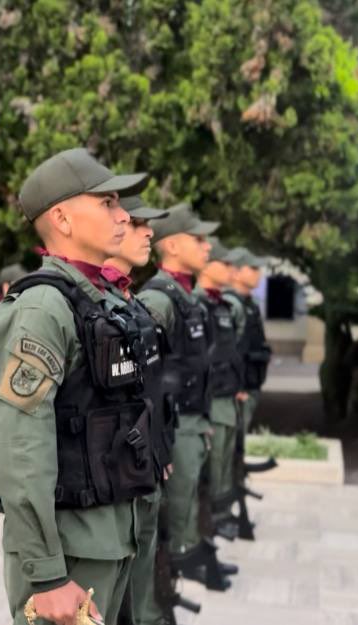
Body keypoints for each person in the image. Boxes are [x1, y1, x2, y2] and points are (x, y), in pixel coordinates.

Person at [0, 147, 155, 625]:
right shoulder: (41, 310)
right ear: (62, 217)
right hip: (69, 552)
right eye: (108, 203)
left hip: (111, 535)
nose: (124, 217)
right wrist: (47, 574)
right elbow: (19, 446)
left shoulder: (100, 301)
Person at [137, 204, 234, 591]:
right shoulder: (159, 300)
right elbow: (146, 379)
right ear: (173, 245)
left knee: (188, 499)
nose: (208, 248)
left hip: (190, 419)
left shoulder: (185, 297)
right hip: (173, 425)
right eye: (199, 239)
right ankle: (167, 576)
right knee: (172, 509)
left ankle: (180, 564)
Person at [100, 197, 185, 625]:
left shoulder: (134, 305)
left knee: (136, 594)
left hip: (144, 474)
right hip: (110, 488)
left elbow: (155, 390)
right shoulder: (86, 307)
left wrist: (160, 450)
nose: (148, 232)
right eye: (135, 223)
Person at [193, 238, 247, 540]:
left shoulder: (223, 305)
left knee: (224, 461)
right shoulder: (197, 303)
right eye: (224, 263)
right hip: (209, 399)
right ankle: (210, 522)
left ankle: (220, 515)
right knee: (212, 467)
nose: (231, 269)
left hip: (226, 394)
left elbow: (231, 351)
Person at [225, 248, 272, 433]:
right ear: (236, 272)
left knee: (239, 440)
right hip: (238, 388)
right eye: (252, 268)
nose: (258, 273)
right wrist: (237, 385)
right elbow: (229, 350)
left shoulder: (250, 303)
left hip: (252, 382)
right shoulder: (229, 304)